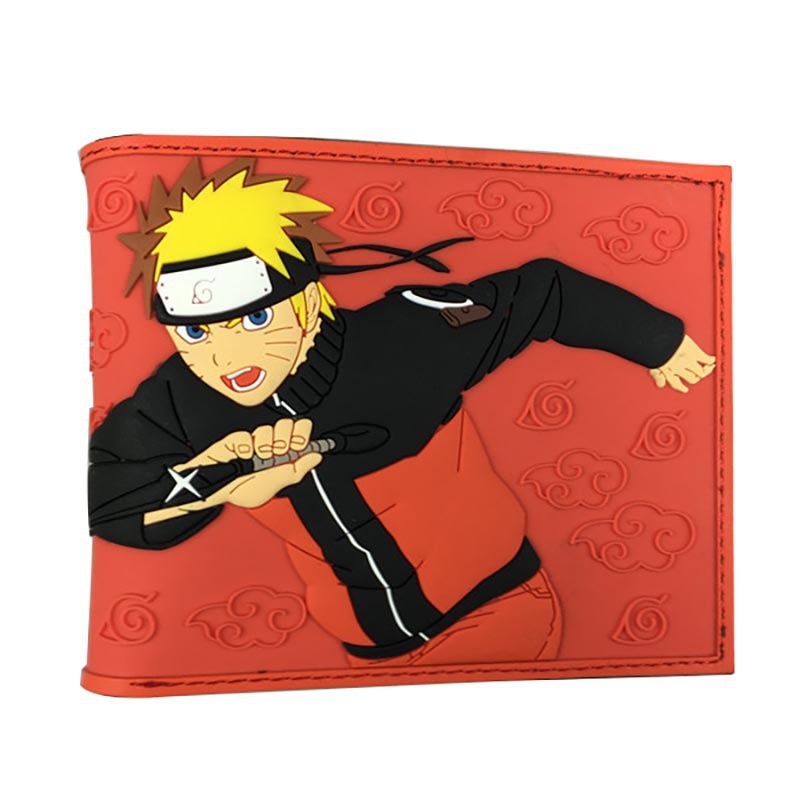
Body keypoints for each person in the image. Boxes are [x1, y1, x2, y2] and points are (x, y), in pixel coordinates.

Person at [89, 158, 716, 667]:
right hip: (363, 656)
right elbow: (109, 499)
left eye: (255, 318)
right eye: (194, 332)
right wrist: (221, 486)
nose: (227, 356)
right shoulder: (179, 396)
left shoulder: (408, 334)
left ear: (307, 300)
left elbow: (542, 291)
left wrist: (657, 341)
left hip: (497, 611)